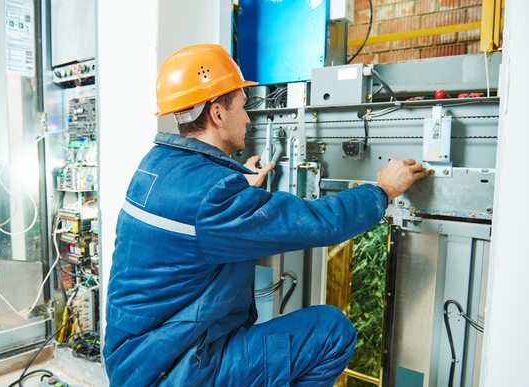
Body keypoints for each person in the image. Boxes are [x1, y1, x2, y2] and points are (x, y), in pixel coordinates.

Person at [103, 44, 427, 386]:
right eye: (243, 108)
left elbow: (198, 217)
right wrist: (383, 191)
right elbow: (319, 223)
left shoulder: (156, 165)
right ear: (216, 114)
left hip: (136, 362)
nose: (247, 119)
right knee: (331, 331)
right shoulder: (213, 198)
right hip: (175, 370)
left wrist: (238, 189)